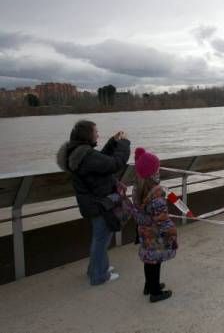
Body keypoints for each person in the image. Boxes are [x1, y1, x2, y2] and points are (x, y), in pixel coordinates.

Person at [56, 120, 130, 285]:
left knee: (100, 238)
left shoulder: (79, 153)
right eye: (95, 131)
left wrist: (112, 142)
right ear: (87, 134)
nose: (98, 134)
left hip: (93, 202)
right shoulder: (86, 156)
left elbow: (100, 161)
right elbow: (114, 164)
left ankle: (96, 269)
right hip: (100, 204)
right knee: (101, 240)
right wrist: (124, 144)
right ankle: (98, 276)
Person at [121, 147, 177, 303]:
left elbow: (139, 214)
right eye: (157, 169)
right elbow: (162, 220)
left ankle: (149, 285)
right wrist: (172, 235)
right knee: (155, 261)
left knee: (149, 260)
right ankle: (155, 292)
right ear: (153, 173)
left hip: (144, 232)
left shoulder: (137, 190)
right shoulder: (157, 197)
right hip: (156, 234)